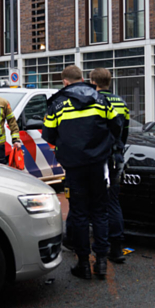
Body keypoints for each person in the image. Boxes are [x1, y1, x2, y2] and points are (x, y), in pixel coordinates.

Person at [43, 65, 121, 280]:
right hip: (98, 164)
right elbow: (116, 125)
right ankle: (102, 262)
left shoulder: (57, 103)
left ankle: (83, 264)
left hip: (74, 166)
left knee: (78, 213)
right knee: (100, 211)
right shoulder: (100, 98)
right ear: (82, 79)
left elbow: (48, 134)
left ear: (65, 82)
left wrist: (67, 144)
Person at [90, 67, 131, 264]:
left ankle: (100, 247)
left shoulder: (93, 101)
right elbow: (125, 132)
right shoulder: (121, 102)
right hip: (116, 157)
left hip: (98, 159)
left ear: (93, 83)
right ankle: (117, 249)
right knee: (114, 202)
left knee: (97, 204)